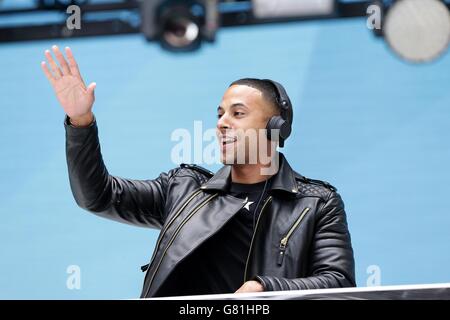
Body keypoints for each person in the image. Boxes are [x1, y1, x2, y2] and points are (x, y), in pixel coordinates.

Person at [41, 45, 355, 298]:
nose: (222, 122)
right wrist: (80, 121)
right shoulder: (184, 188)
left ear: (275, 128)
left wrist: (266, 288)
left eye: (238, 113)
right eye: (219, 114)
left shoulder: (316, 202)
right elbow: (98, 197)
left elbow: (338, 283)